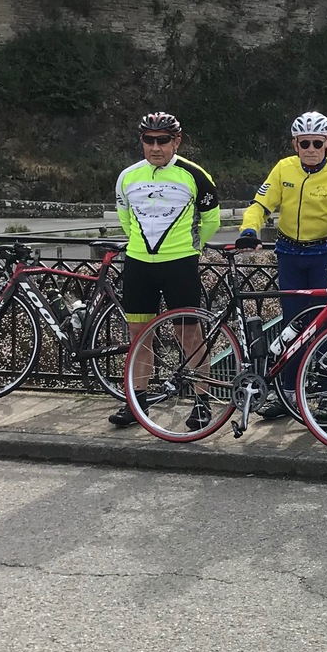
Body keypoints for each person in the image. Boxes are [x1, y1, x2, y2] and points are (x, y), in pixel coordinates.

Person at [234, 112, 327, 419]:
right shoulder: (284, 168)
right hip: (289, 255)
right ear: (295, 144)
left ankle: (325, 395)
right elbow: (260, 204)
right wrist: (249, 229)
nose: (310, 149)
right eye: (304, 143)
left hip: (324, 255)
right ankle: (288, 394)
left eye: (317, 143)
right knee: (292, 325)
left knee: (326, 326)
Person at [109, 112, 221, 428]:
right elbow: (125, 219)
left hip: (180, 264)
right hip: (138, 264)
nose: (155, 147)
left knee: (189, 335)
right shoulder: (127, 176)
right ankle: (136, 403)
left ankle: (202, 403)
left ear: (177, 141)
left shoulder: (195, 175)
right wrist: (140, 247)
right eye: (149, 140)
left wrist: (191, 248)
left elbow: (211, 220)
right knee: (138, 335)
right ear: (141, 141)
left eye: (163, 140)